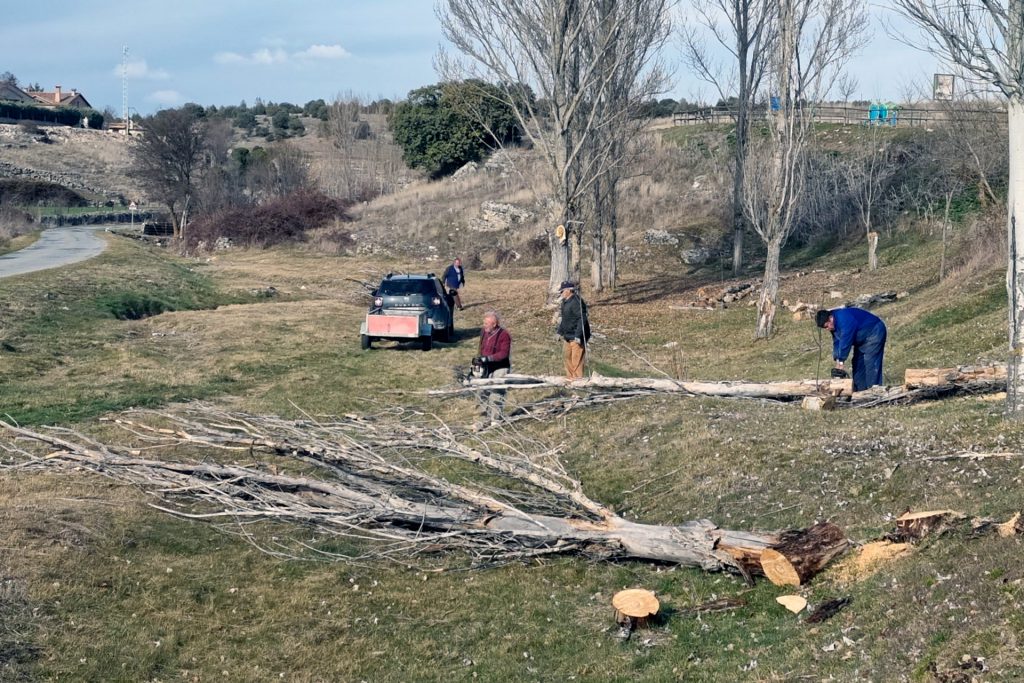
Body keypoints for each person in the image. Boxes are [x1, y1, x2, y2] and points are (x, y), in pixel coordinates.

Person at [816, 307, 887, 391]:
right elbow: (837, 341)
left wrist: (841, 360)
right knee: (857, 364)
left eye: (827, 326)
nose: (827, 329)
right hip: (862, 339)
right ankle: (860, 391)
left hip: (874, 332)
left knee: (870, 362)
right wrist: (837, 359)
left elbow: (846, 340)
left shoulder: (844, 319)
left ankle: (875, 391)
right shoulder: (833, 324)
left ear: (830, 318)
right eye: (825, 328)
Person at [473, 310, 512, 429]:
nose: (484, 326)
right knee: (481, 391)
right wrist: (479, 361)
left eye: (486, 324)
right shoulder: (484, 332)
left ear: (494, 324)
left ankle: (495, 419)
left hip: (500, 366)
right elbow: (481, 348)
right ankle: (481, 419)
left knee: (496, 392)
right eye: (484, 323)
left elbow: (504, 353)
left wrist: (488, 358)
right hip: (486, 366)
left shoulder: (504, 335)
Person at [556, 281, 590, 380]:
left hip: (576, 336)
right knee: (566, 356)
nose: (561, 293)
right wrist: (559, 332)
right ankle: (570, 378)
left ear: (568, 290)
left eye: (562, 291)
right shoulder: (565, 302)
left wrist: (578, 335)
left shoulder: (576, 302)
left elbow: (582, 319)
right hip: (567, 336)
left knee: (576, 360)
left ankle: (578, 380)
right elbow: (565, 319)